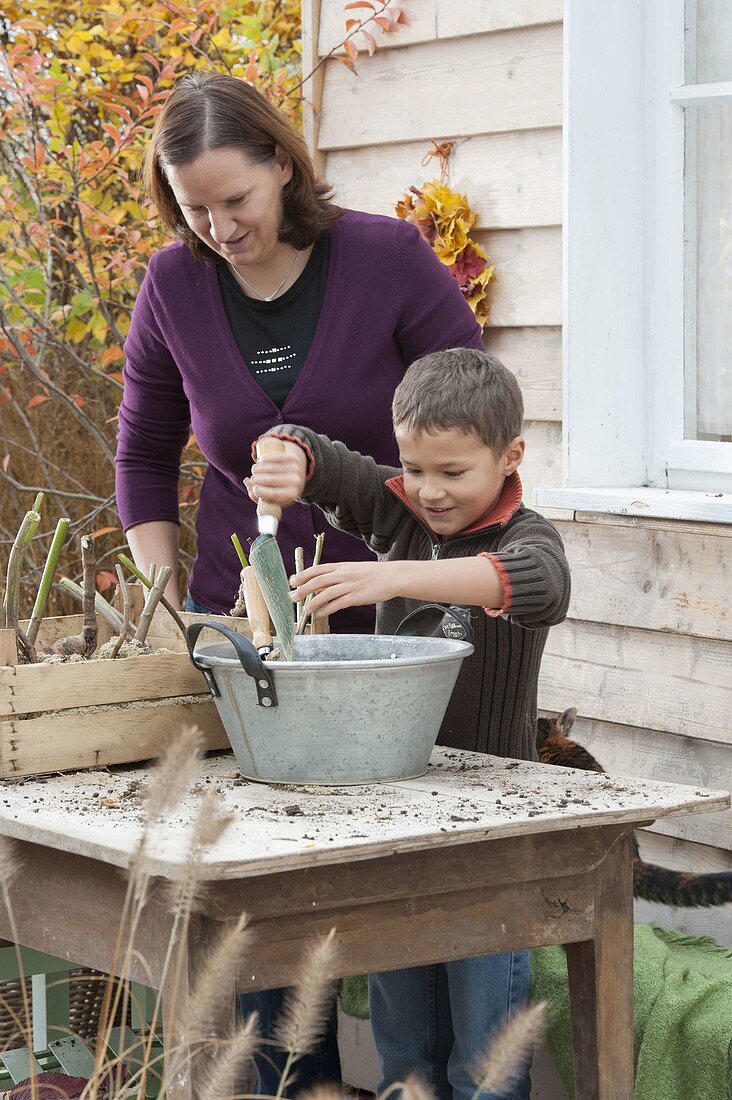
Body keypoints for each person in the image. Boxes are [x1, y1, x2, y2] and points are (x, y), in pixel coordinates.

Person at [114, 70, 484, 1093]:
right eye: (195, 207)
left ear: (282, 162)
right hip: (246, 630)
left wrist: (365, 500)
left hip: (392, 618)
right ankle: (293, 1080)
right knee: (256, 880)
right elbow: (144, 457)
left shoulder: (385, 259)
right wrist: (168, 605)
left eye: (236, 198)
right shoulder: (172, 286)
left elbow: (473, 431)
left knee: (378, 870)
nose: (220, 226)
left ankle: (412, 1070)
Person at [248, 348, 572, 1100]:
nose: (428, 491)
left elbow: (533, 584)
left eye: (452, 473)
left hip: (492, 834)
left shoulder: (530, 536)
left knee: (484, 1062)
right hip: (396, 819)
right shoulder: (401, 510)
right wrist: (284, 457)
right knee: (405, 1050)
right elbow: (315, 452)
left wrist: (391, 574)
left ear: (510, 456)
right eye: (414, 468)